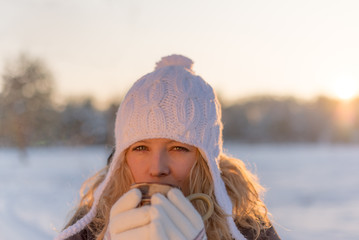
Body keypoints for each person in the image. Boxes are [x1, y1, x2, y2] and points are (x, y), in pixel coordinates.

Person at [55, 55, 281, 240]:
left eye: (178, 148)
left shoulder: (245, 224)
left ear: (206, 159)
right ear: (122, 157)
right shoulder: (94, 223)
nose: (157, 168)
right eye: (141, 148)